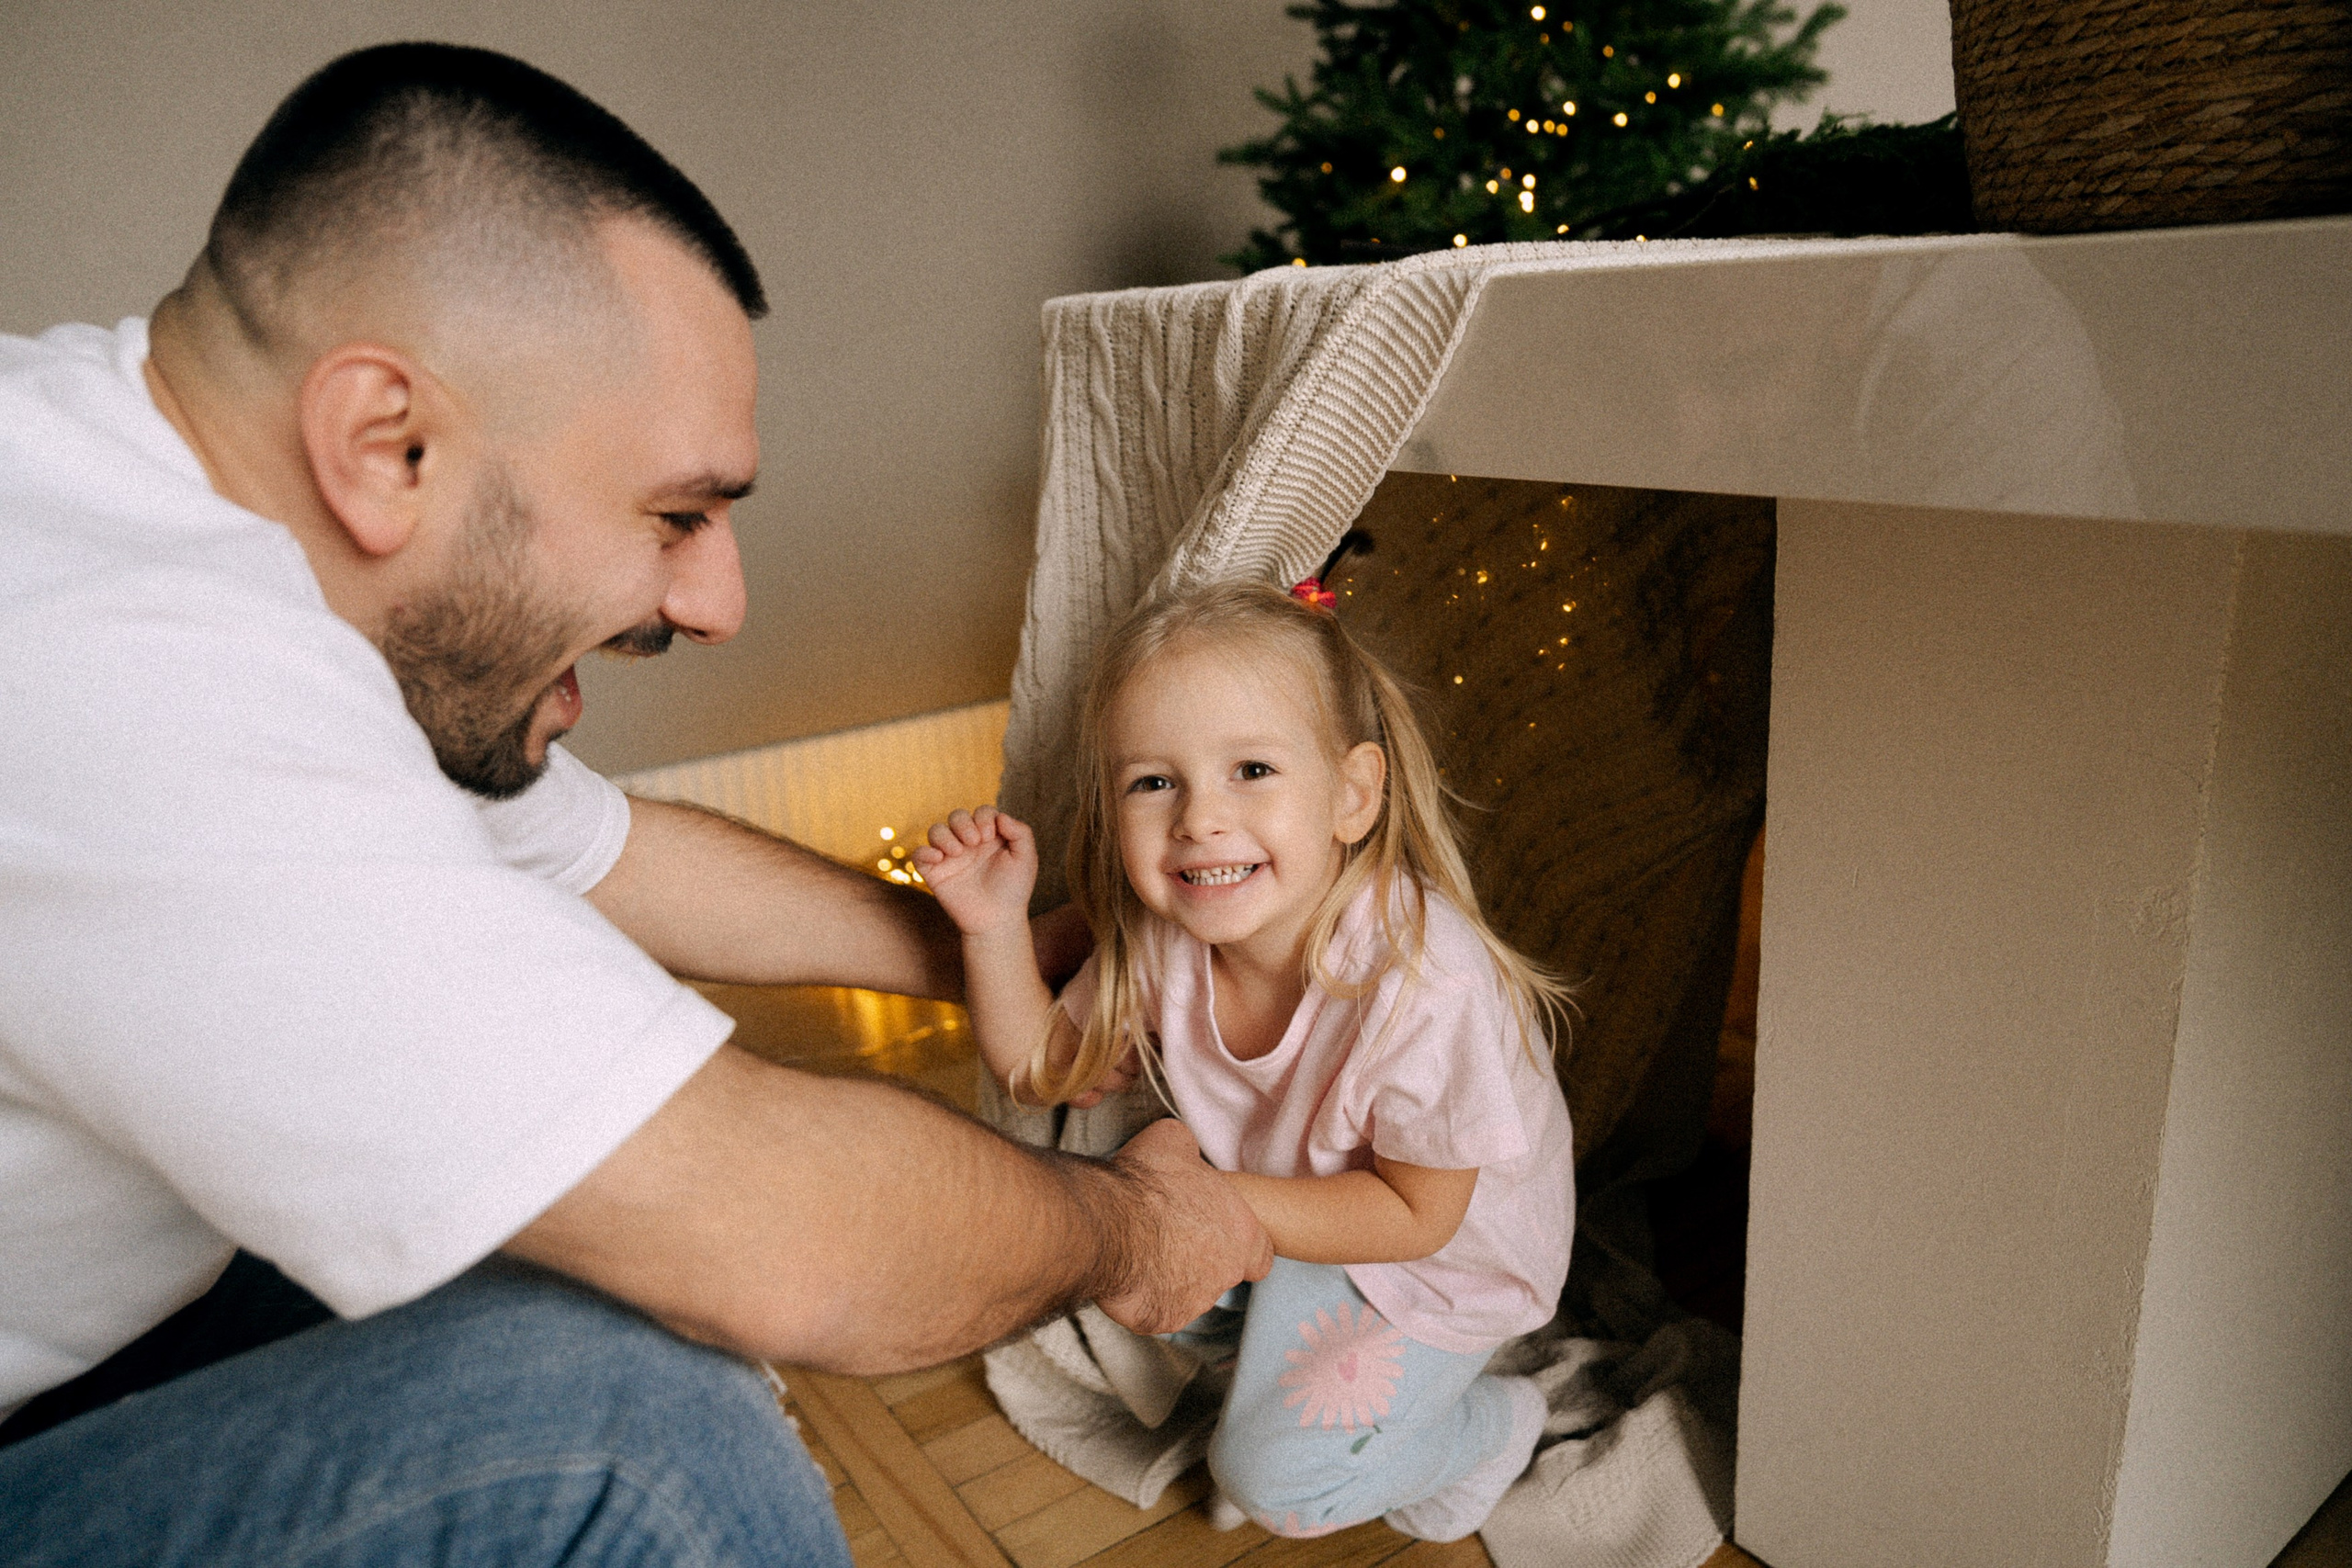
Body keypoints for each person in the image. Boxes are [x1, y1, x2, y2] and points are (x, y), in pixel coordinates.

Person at [0, 42, 1269, 1566]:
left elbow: (612, 855)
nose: (718, 597)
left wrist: (1004, 955)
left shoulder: (126, 481)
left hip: (104, 1328)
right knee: (634, 1437)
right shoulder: (123, 679)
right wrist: (1138, 1231)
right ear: (384, 444)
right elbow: (784, 1232)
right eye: (676, 514)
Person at [915, 580, 1577, 1543]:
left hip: (1432, 1266)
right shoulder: (1163, 933)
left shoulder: (1423, 984)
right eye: (1153, 781)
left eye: (1252, 771)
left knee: (1279, 1492)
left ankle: (1490, 1428)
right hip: (1294, 1212)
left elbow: (1417, 1217)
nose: (1197, 819)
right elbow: (1039, 1071)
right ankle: (1269, 1376)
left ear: (1352, 795)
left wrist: (1198, 1201)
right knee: (1108, 1254)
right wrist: (990, 927)